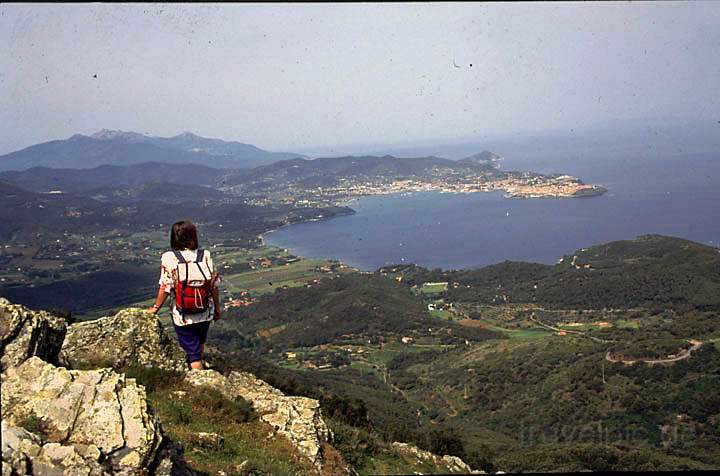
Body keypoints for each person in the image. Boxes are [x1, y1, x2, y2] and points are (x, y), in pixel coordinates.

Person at [147, 220, 221, 369]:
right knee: (199, 343)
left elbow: (165, 287)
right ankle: (199, 366)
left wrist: (155, 308)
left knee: (192, 353)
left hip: (183, 315)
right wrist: (217, 309)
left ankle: (199, 382)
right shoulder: (204, 255)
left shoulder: (169, 257)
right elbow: (214, 286)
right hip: (205, 311)